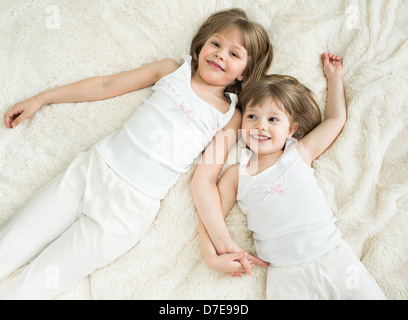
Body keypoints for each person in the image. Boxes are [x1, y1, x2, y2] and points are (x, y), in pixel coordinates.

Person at [0, 8, 273, 299]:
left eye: (234, 54)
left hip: (129, 210)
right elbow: (106, 85)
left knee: (39, 284)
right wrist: (42, 99)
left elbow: (204, 179)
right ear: (202, 44)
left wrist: (223, 241)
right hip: (93, 171)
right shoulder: (172, 70)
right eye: (216, 44)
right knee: (11, 242)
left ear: (244, 72)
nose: (220, 54)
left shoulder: (230, 115)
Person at [198, 53, 386, 299]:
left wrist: (334, 78)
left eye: (273, 119)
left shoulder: (298, 154)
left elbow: (335, 119)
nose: (260, 126)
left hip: (332, 257)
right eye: (252, 116)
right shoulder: (237, 175)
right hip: (285, 276)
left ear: (291, 131)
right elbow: (209, 216)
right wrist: (211, 256)